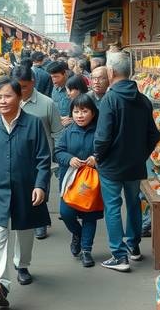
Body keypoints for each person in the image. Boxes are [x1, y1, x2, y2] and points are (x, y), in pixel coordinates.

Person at [0, 78, 52, 308]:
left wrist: (40, 185)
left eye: (8, 96)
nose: (3, 101)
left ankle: (22, 264)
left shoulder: (34, 124)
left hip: (26, 189)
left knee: (25, 231)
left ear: (19, 98)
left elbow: (43, 159)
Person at [94, 52, 160, 272]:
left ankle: (119, 255)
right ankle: (133, 247)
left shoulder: (110, 99)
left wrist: (99, 157)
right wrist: (141, 155)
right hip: (135, 165)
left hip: (111, 165)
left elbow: (102, 138)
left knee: (113, 207)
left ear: (111, 72)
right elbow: (154, 135)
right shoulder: (143, 99)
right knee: (133, 203)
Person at [13, 64, 63, 240]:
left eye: (24, 86)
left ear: (33, 83)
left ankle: (40, 223)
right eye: (16, 86)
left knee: (41, 189)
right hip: (16, 156)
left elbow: (57, 132)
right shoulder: (8, 101)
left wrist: (58, 156)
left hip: (42, 157)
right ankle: (26, 219)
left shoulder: (47, 103)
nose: (20, 90)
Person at [53, 94, 103, 268]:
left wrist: (96, 158)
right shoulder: (68, 132)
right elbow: (57, 152)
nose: (80, 115)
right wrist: (69, 159)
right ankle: (77, 234)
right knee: (66, 213)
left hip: (92, 183)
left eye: (84, 111)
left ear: (93, 113)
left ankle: (86, 250)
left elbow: (108, 152)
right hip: (70, 182)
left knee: (90, 216)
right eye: (76, 111)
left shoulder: (100, 132)